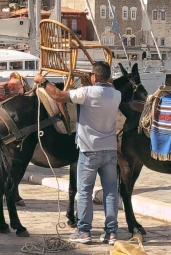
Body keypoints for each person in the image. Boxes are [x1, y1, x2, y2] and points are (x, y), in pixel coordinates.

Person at [34, 61, 121, 245]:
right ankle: (111, 233)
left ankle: (84, 232)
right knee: (111, 192)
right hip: (110, 150)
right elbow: (108, 86)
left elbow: (58, 96)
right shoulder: (117, 95)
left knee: (84, 191)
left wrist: (42, 81)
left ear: (94, 77)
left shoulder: (86, 93)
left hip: (89, 151)